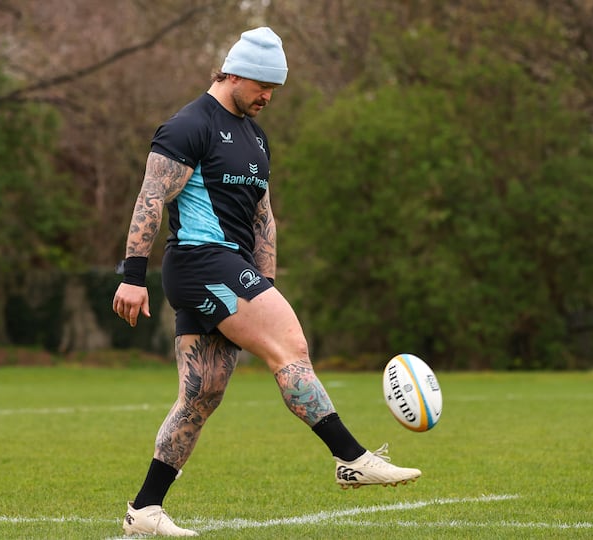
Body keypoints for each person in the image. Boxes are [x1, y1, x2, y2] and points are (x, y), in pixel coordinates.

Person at [112, 26, 422, 537]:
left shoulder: (257, 138)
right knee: (291, 347)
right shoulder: (187, 126)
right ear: (232, 73)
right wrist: (132, 277)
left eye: (274, 89)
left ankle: (145, 510)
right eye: (261, 85)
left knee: (201, 394)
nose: (268, 97)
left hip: (232, 267)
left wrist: (267, 282)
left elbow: (264, 217)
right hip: (199, 261)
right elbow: (150, 199)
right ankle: (351, 457)